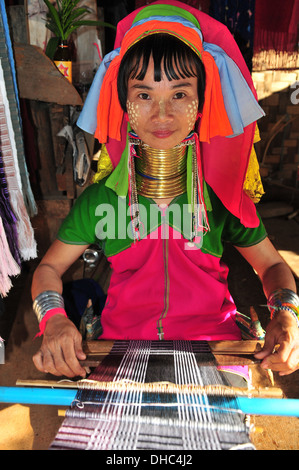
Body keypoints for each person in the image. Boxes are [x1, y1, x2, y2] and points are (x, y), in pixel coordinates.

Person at [31, 1, 299, 379]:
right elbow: (48, 268)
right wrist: (54, 319)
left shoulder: (220, 195)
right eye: (144, 95)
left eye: (179, 94)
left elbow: (271, 264)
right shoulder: (102, 199)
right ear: (125, 104)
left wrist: (286, 314)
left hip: (215, 346)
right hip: (121, 346)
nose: (161, 114)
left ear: (202, 103)